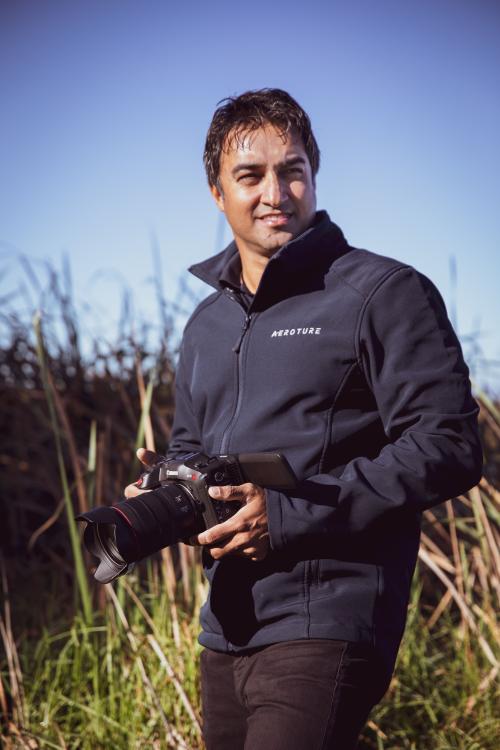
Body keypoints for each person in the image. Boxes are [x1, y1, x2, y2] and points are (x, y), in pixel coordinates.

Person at [126, 89, 482, 749]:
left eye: (292, 170)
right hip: (227, 625)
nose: (276, 192)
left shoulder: (384, 292)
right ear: (216, 192)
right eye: (250, 175)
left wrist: (288, 515)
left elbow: (450, 442)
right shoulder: (207, 324)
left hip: (329, 619)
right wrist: (166, 497)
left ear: (314, 174)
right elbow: (193, 449)